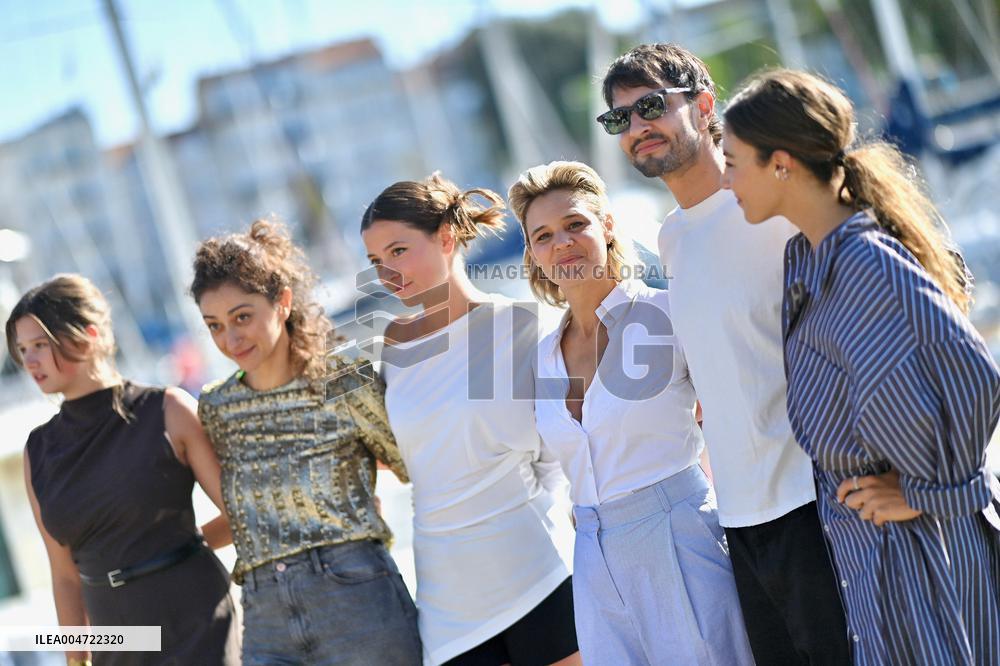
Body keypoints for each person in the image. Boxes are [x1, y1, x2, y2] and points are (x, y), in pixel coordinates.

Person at [721, 67, 1000, 666]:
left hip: (925, 550)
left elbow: (974, 375)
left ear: (780, 164)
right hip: (867, 557)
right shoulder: (806, 259)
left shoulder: (866, 262)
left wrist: (928, 491)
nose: (726, 179)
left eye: (733, 162)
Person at [598, 43, 850, 664]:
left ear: (705, 105)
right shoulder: (670, 237)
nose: (636, 128)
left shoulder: (775, 206)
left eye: (651, 106)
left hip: (819, 502)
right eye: (619, 118)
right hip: (739, 518)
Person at [508, 160, 753, 665]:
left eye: (575, 224)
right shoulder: (542, 356)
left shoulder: (667, 313)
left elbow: (736, 416)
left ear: (607, 226)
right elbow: (553, 468)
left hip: (680, 537)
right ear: (533, 253)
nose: (562, 243)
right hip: (592, 559)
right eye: (544, 236)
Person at [360, 173, 580, 666]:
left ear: (445, 238)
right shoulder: (391, 348)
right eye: (376, 261)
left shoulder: (522, 325)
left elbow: (559, 455)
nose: (387, 272)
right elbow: (403, 454)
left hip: (539, 571)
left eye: (398, 251)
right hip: (448, 601)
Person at [192, 218, 422, 666]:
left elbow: (411, 463)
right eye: (214, 325)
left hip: (356, 598)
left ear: (282, 302)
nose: (230, 339)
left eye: (242, 317)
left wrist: (356, 491)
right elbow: (246, 514)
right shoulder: (217, 407)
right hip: (264, 614)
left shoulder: (342, 379)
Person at [7, 273, 239, 666]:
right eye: (23, 349)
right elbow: (64, 576)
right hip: (115, 634)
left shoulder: (167, 410)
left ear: (88, 335)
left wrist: (184, 545)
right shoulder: (38, 451)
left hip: (194, 618)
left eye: (40, 345)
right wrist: (76, 660)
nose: (30, 361)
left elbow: (242, 515)